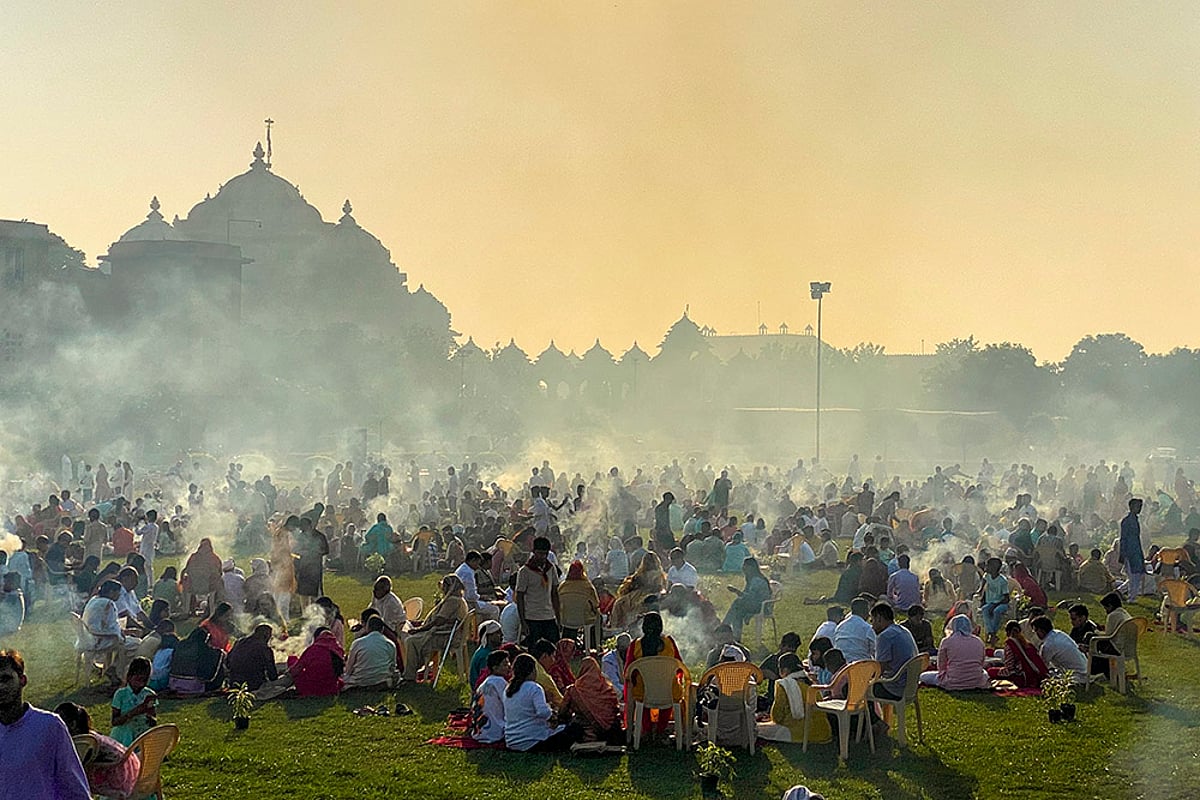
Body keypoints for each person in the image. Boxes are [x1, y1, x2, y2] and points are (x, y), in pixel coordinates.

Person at [0, 650, 92, 800]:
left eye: (6, 679)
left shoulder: (49, 726)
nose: (1, 687)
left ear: (22, 680)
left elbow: (74, 787)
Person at [55, 701, 140, 799]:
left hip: (118, 776)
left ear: (73, 724)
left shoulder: (82, 742)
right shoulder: (88, 734)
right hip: (129, 768)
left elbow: (75, 766)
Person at [624, 611, 683, 735]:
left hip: (644, 693)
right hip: (668, 692)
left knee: (639, 691)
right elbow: (679, 667)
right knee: (672, 691)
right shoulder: (669, 642)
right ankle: (661, 729)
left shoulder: (635, 645)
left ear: (643, 627)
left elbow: (628, 672)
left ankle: (646, 729)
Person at [504, 653, 577, 752]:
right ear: (533, 670)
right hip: (532, 740)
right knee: (575, 729)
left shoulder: (508, 689)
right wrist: (553, 715)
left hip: (511, 740)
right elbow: (543, 712)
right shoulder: (534, 687)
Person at [402, 575, 468, 681]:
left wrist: (420, 629)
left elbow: (439, 621)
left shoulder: (452, 601)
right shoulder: (458, 599)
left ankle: (410, 675)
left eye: (444, 586)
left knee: (411, 640)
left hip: (443, 636)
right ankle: (413, 671)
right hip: (446, 633)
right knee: (412, 639)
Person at [758, 653, 832, 744]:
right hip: (823, 732)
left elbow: (777, 716)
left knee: (756, 729)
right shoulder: (811, 682)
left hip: (799, 732)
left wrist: (769, 718)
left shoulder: (783, 684)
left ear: (784, 670)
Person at [81, 579, 142, 684]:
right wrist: (125, 633)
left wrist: (125, 631)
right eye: (118, 592)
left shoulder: (94, 599)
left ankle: (113, 666)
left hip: (88, 638)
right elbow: (113, 628)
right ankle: (117, 670)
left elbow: (107, 625)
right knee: (137, 644)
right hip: (100, 640)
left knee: (126, 641)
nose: (119, 595)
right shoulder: (109, 604)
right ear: (111, 592)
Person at [558, 656, 623, 744]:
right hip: (609, 730)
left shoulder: (574, 690)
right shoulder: (607, 688)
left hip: (583, 730)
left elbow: (562, 712)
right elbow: (614, 708)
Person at [920, 614, 989, 689]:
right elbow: (981, 662)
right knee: (985, 673)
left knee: (923, 676)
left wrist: (942, 675)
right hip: (976, 681)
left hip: (953, 681)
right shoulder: (978, 641)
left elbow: (941, 665)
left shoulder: (947, 641)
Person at [516, 537, 561, 648]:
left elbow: (554, 593)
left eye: (545, 554)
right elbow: (520, 596)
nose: (543, 557)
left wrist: (558, 617)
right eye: (540, 553)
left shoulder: (551, 569)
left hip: (549, 616)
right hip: (532, 617)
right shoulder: (525, 571)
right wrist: (523, 621)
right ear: (533, 552)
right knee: (535, 650)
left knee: (552, 650)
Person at [610, 551, 667, 629]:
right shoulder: (641, 572)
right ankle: (617, 627)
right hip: (637, 592)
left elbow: (660, 587)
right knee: (620, 603)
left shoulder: (658, 574)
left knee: (638, 604)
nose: (649, 563)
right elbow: (632, 582)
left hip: (651, 594)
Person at [110, 657, 157, 746]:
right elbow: (114, 721)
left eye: (144, 680)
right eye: (137, 679)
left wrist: (150, 716)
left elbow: (153, 720)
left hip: (142, 733)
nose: (140, 683)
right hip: (124, 735)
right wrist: (135, 712)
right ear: (130, 676)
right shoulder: (121, 694)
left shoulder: (149, 694)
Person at [343, 615, 398, 689]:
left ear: (367, 628)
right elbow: (392, 667)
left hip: (360, 679)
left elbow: (349, 669)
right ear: (382, 629)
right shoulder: (390, 644)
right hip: (382, 679)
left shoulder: (358, 643)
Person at [722, 557, 772, 638]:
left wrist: (737, 591)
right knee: (738, 611)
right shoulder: (751, 578)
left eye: (745, 567)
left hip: (761, 606)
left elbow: (750, 597)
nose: (743, 569)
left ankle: (724, 627)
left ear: (751, 568)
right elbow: (746, 596)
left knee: (737, 604)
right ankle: (735, 636)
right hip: (755, 604)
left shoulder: (757, 580)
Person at [168, 626, 226, 695]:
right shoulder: (201, 649)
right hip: (193, 686)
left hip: (174, 684)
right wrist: (221, 652)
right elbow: (216, 658)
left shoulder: (181, 645)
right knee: (219, 661)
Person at [1033, 616, 1088, 682]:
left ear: (1042, 630)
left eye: (1036, 630)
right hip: (1086, 670)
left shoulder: (1048, 645)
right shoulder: (1059, 633)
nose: (1035, 634)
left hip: (1076, 675)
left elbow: (1042, 667)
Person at [472, 650, 511, 744]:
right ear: (495, 668)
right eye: (505, 664)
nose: (509, 666)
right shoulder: (500, 682)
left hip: (480, 731)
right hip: (496, 731)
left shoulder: (485, 683)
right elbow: (510, 704)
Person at [226, 624, 279, 691]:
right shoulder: (264, 648)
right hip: (253, 685)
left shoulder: (239, 642)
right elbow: (272, 674)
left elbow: (227, 661)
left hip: (234, 683)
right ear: (266, 636)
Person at [999, 620, 1048, 689]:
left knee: (991, 671)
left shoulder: (1010, 643)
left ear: (1007, 632)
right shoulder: (1027, 643)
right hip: (1036, 676)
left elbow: (1009, 667)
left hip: (1022, 677)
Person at [456, 550, 502, 622]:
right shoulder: (468, 573)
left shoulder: (462, 568)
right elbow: (471, 596)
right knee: (494, 609)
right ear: (473, 561)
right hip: (468, 603)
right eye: (477, 564)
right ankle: (491, 630)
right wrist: (482, 597)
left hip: (463, 600)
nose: (478, 567)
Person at [181, 538, 223, 615]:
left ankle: (187, 610)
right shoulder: (214, 558)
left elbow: (185, 570)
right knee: (220, 583)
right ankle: (214, 610)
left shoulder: (193, 557)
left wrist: (182, 580)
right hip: (209, 587)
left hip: (192, 587)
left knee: (185, 585)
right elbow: (220, 572)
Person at [833, 597, 877, 664]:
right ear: (864, 611)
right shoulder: (867, 628)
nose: (869, 615)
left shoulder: (840, 626)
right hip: (861, 666)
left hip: (842, 667)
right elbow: (875, 651)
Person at [978, 558, 1011, 646]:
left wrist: (996, 604)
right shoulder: (987, 576)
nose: (986, 567)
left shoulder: (1002, 581)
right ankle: (992, 634)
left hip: (1002, 603)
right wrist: (980, 592)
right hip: (990, 603)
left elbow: (1007, 598)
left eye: (988, 565)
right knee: (985, 609)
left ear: (994, 567)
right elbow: (983, 584)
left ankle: (992, 633)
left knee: (997, 611)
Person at [1119, 498, 1146, 601]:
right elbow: (1123, 538)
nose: (1139, 509)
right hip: (1130, 550)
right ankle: (1131, 596)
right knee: (1132, 575)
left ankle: (1131, 594)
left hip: (1136, 549)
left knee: (1137, 574)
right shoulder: (1126, 521)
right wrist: (1123, 552)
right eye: (1137, 506)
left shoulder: (1135, 520)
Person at [368, 575, 407, 641]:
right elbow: (371, 608)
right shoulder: (377, 596)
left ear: (384, 591)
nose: (374, 592)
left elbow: (387, 623)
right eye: (374, 589)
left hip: (394, 627)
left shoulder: (391, 603)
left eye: (377, 589)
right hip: (381, 622)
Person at [469, 620, 503, 688]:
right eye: (498, 633)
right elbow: (485, 680)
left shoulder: (488, 650)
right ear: (489, 636)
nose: (502, 635)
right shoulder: (485, 656)